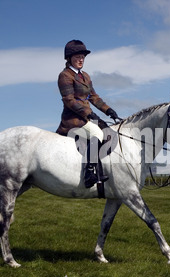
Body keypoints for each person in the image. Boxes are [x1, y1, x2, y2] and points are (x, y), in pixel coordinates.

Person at [56, 40, 122, 188]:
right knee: (97, 134)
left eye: (83, 57)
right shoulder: (65, 75)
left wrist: (108, 110)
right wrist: (89, 113)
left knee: (108, 131)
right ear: (69, 58)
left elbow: (94, 97)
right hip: (73, 119)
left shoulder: (85, 76)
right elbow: (69, 100)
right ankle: (89, 173)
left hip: (86, 117)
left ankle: (104, 169)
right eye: (77, 57)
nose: (81, 60)